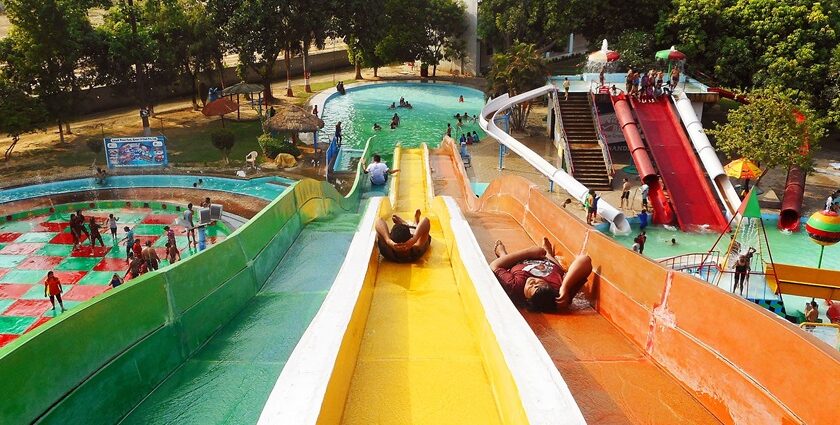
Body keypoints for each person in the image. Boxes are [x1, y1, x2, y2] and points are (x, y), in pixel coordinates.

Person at [490, 237, 593, 312]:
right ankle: (548, 253)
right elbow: (585, 260)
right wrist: (565, 287)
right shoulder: (558, 292)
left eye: (533, 288)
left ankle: (502, 254)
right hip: (548, 262)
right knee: (556, 267)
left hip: (521, 261)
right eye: (539, 285)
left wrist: (529, 252)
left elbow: (495, 266)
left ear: (527, 299)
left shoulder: (515, 285)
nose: (533, 282)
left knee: (506, 265)